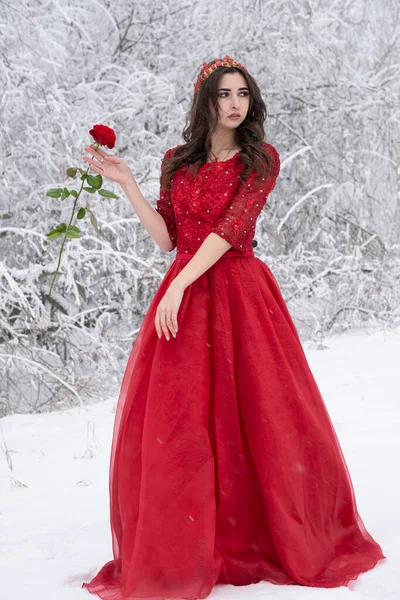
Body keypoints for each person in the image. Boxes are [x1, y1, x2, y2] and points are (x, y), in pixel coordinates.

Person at [81, 56, 386, 600]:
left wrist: (178, 285)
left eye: (242, 93)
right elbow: (166, 238)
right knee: (181, 427)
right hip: (185, 299)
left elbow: (231, 231)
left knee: (261, 415)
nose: (235, 103)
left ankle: (260, 533)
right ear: (206, 101)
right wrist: (126, 183)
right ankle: (189, 544)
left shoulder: (259, 159)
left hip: (240, 296)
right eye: (224, 94)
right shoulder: (175, 162)